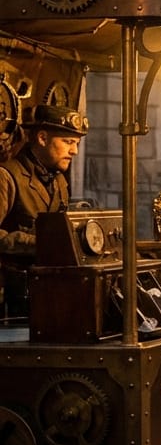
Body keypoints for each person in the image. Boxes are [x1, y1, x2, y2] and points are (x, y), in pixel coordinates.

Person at [0, 104, 87, 319]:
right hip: (11, 302)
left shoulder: (58, 181)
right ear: (41, 138)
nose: (74, 151)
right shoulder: (7, 177)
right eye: (67, 142)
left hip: (49, 297)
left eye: (76, 143)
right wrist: (40, 244)